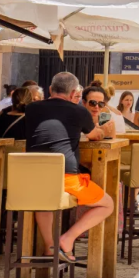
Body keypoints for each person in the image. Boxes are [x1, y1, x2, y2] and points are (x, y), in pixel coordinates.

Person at [27, 72, 112, 262]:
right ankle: (67, 239)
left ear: (50, 89)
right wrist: (99, 129)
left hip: (33, 180)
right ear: (74, 92)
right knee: (108, 204)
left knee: (44, 201)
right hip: (66, 179)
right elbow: (95, 136)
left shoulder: (31, 108)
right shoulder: (79, 111)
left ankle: (51, 247)